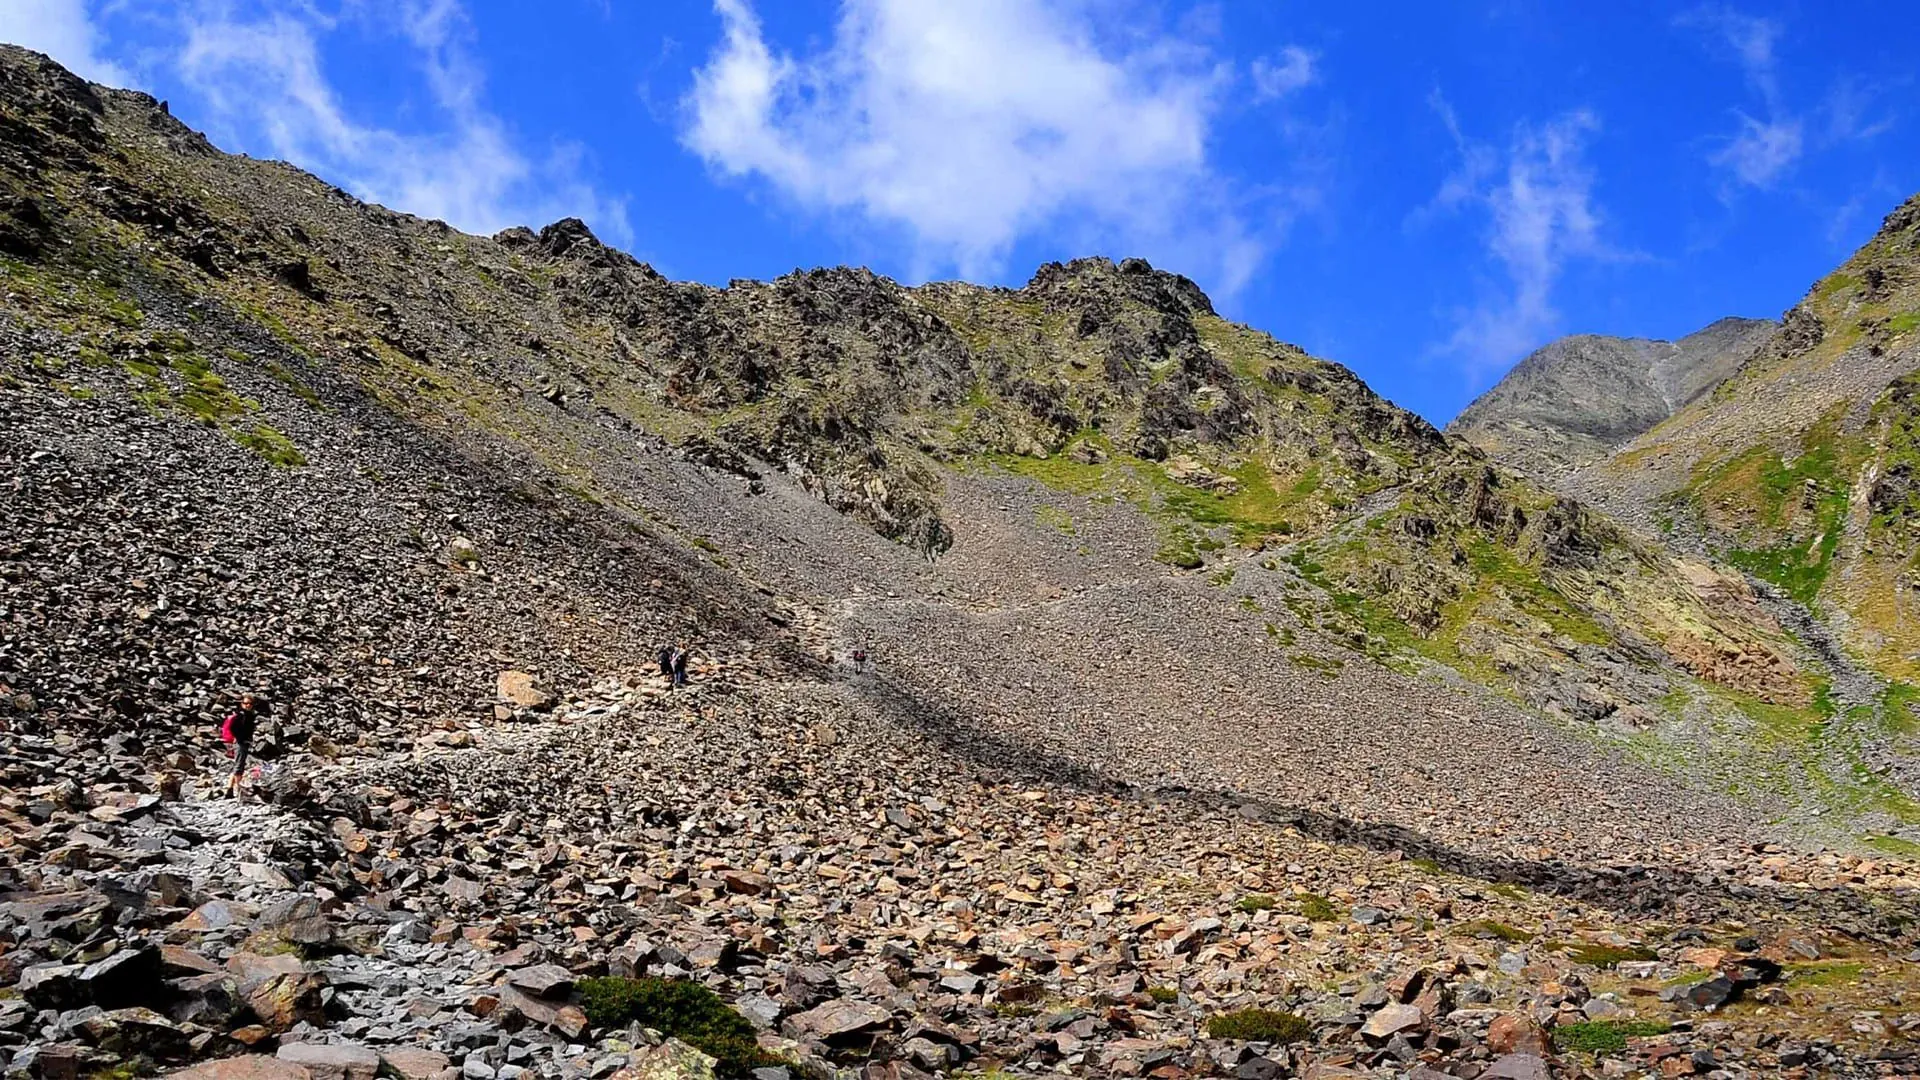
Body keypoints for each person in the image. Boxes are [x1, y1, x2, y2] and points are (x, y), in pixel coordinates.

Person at [220, 693, 267, 798]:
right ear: (242, 704)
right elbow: (234, 728)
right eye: (246, 703)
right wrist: (240, 738)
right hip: (241, 743)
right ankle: (238, 790)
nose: (248, 705)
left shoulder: (247, 715)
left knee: (237, 765)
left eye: (250, 704)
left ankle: (229, 790)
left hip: (242, 742)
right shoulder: (242, 715)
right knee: (239, 767)